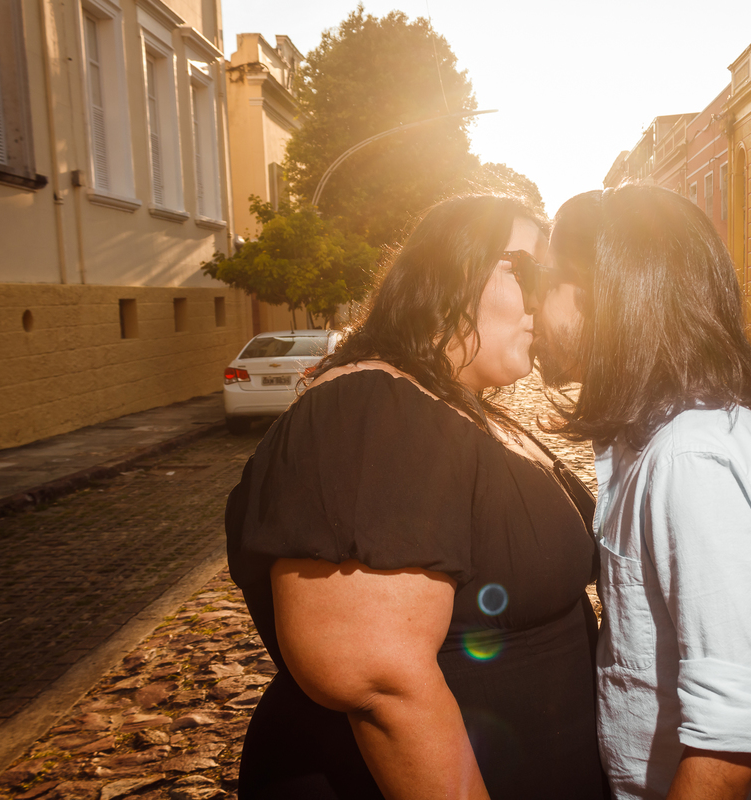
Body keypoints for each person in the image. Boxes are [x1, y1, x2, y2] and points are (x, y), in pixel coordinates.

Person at [224, 194, 610, 800]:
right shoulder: (371, 411)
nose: (543, 298)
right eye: (526, 270)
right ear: (451, 271)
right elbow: (377, 680)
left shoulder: (453, 406)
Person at [533, 185, 751, 800]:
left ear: (608, 294)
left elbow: (730, 736)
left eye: (550, 280)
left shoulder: (690, 459)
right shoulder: (659, 440)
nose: (536, 306)